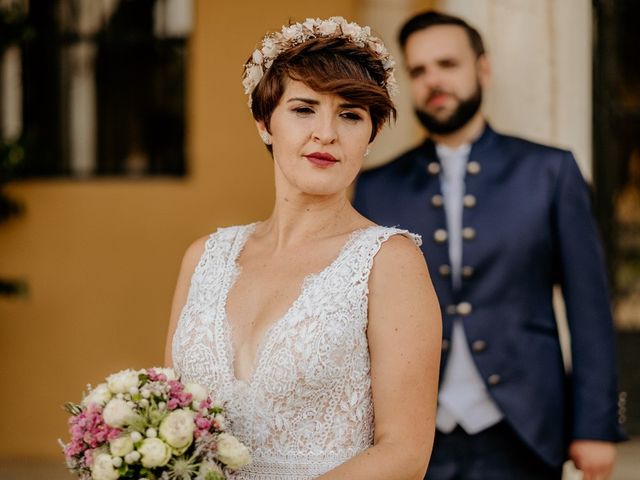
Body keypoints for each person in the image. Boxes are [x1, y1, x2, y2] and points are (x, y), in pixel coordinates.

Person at [164, 17, 442, 480]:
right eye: (303, 109)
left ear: (370, 137)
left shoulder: (388, 263)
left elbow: (406, 453)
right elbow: (168, 416)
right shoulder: (203, 257)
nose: (327, 134)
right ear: (263, 123)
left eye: (350, 115)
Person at [353, 10, 625, 480]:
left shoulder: (549, 172)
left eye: (447, 64)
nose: (433, 80)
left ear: (483, 68)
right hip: (410, 436)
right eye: (419, 70)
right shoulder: (376, 187)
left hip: (525, 427)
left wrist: (595, 425)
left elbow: (589, 308)